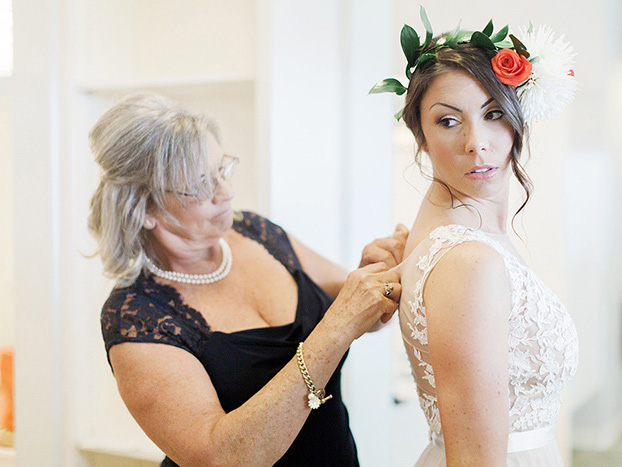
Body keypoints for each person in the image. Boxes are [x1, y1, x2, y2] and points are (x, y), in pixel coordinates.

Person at [88, 92, 408, 466]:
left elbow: (362, 315)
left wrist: (372, 275)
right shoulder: (136, 317)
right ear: (144, 209)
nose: (227, 192)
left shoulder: (258, 232)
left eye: (222, 170)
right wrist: (336, 329)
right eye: (202, 185)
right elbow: (220, 459)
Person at [371, 10, 579, 466]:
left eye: (493, 113)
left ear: (518, 118)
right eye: (448, 121)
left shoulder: (464, 233)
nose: (476, 142)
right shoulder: (468, 262)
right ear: (420, 136)